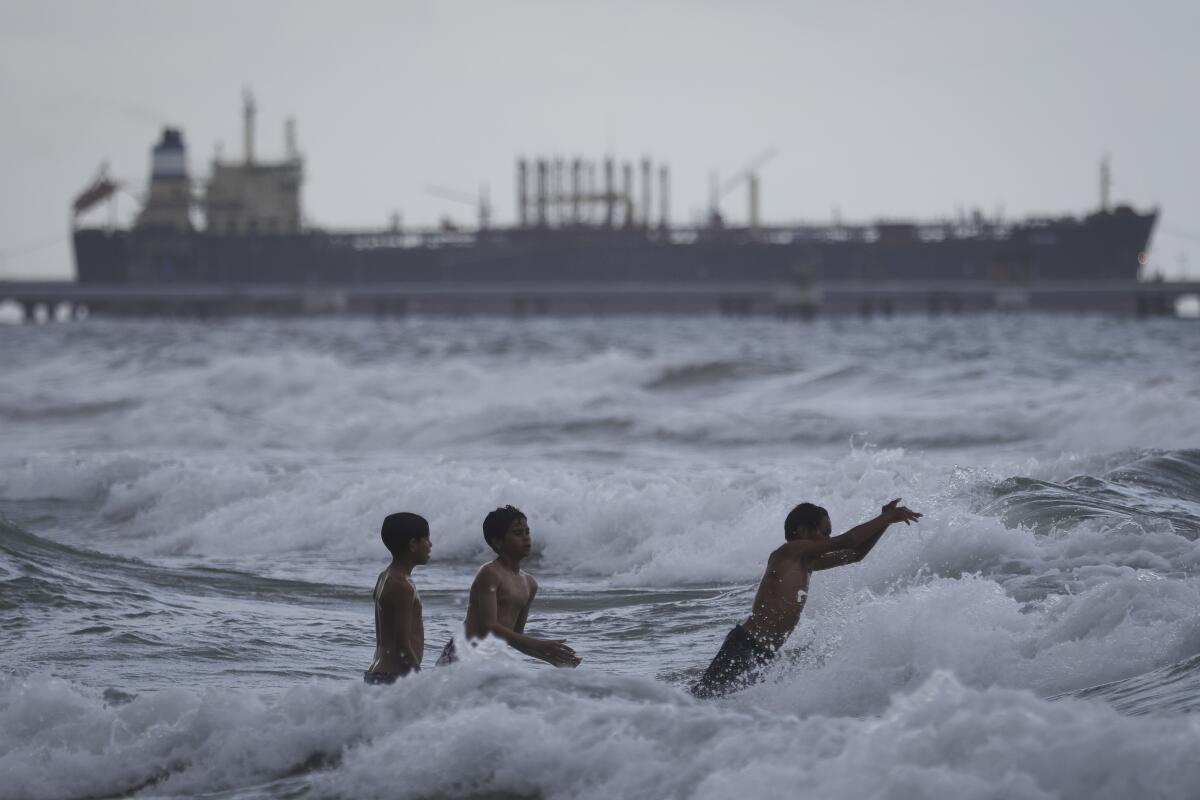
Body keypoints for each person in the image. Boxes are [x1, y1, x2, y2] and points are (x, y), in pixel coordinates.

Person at [690, 498, 921, 698]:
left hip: (764, 653)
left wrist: (885, 522)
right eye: (824, 532)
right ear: (802, 531)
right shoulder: (788, 552)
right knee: (705, 699)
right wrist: (886, 517)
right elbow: (849, 540)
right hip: (745, 645)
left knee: (730, 705)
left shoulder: (807, 563)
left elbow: (855, 554)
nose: (828, 539)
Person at [437, 505, 580, 668]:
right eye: (518, 533)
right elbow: (489, 626)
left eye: (527, 532)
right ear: (497, 541)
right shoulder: (490, 573)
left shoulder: (530, 583)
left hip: (485, 661)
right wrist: (538, 644)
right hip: (461, 655)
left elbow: (516, 638)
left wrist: (549, 657)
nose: (526, 538)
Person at [364, 512, 432, 685]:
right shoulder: (402, 585)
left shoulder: (385, 576)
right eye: (426, 539)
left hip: (378, 673)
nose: (430, 545)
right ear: (413, 545)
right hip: (392, 678)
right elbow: (402, 645)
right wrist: (422, 680)